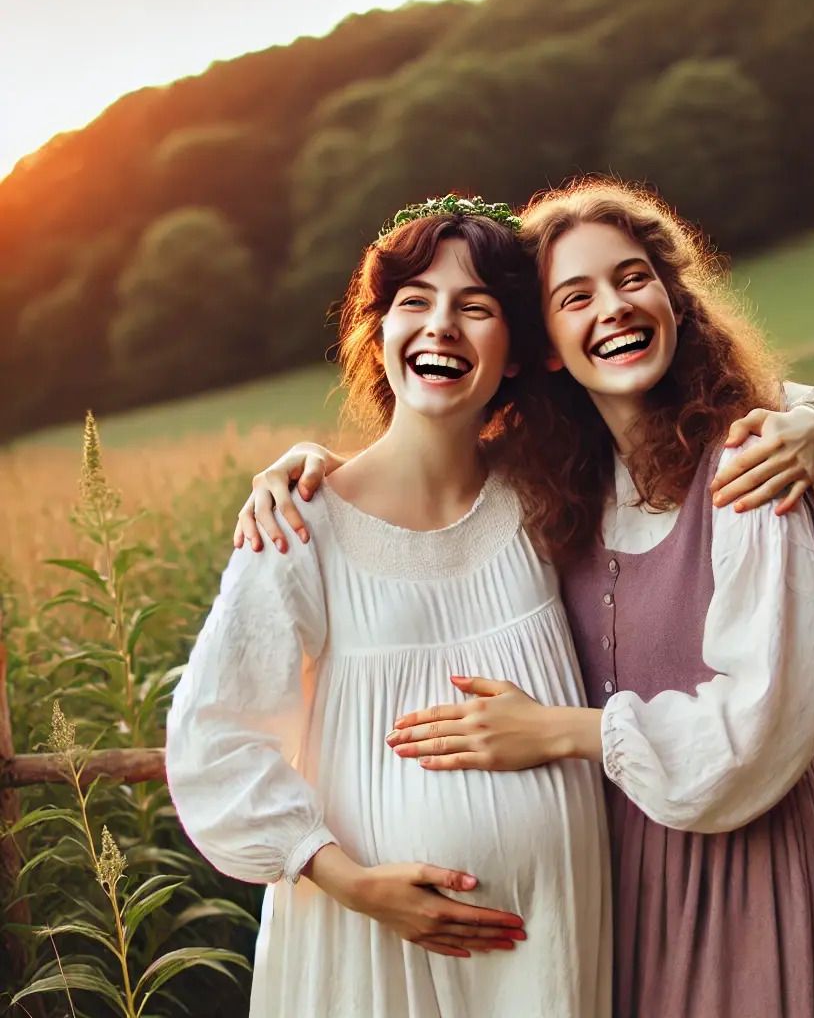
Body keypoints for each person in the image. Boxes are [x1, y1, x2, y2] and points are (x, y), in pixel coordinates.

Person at [241, 180, 814, 1016]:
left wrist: (560, 732)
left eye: (633, 278)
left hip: (748, 864)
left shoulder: (749, 464)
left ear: (675, 299)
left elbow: (758, 724)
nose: (612, 307)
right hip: (615, 880)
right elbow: (423, 468)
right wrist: (306, 463)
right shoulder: (546, 486)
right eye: (576, 296)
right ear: (545, 347)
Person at [165, 199, 612, 1018]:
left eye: (475, 308)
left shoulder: (548, 494)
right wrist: (356, 884)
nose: (441, 325)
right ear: (380, 333)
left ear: (515, 353)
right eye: (415, 301)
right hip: (367, 951)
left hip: (549, 946)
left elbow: (692, 425)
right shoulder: (302, 521)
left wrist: (803, 431)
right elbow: (214, 740)